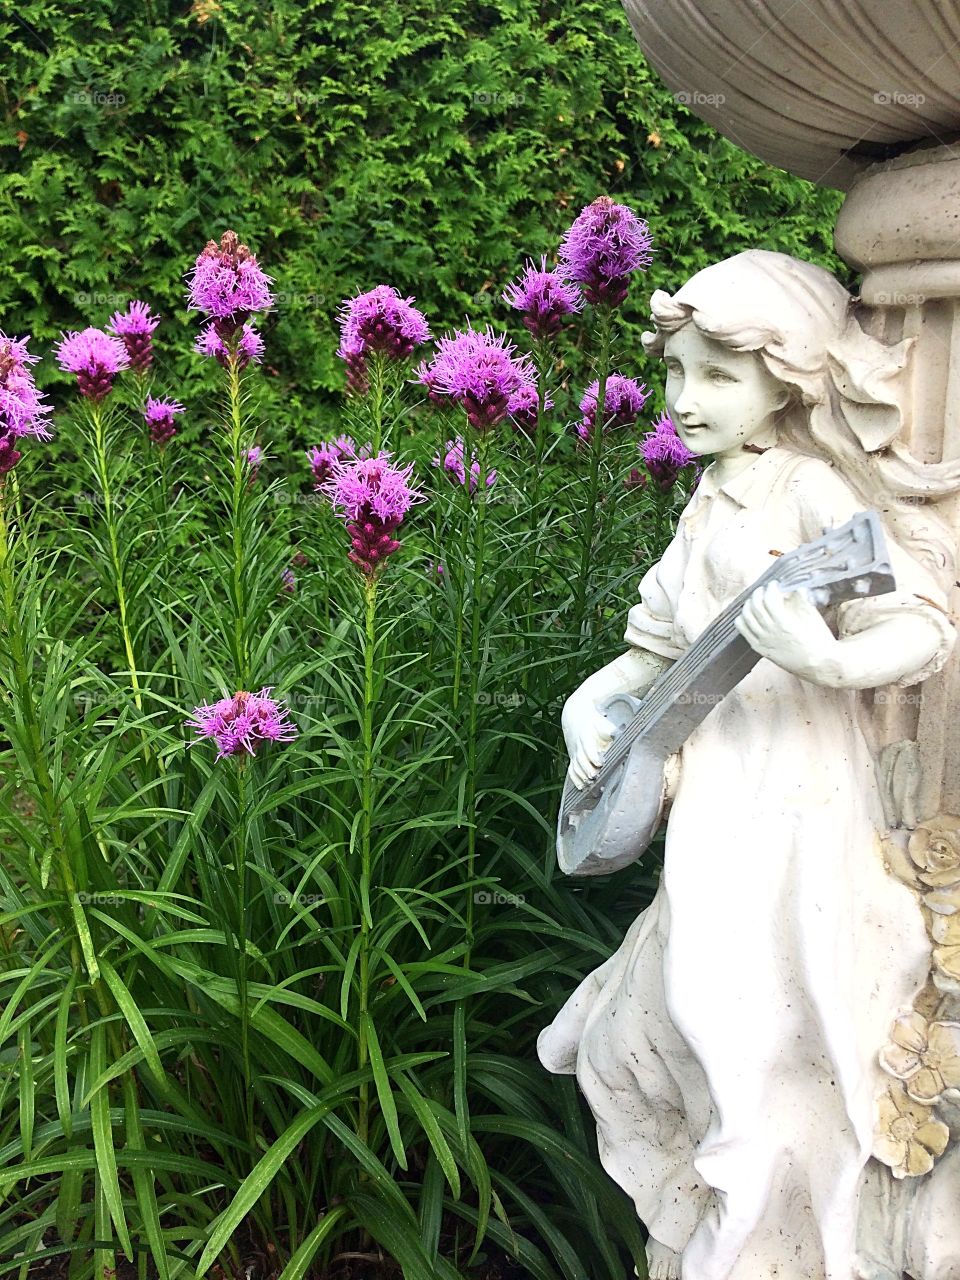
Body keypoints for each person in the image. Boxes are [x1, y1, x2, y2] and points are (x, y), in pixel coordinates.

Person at [537, 250, 960, 1280]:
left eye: (718, 375)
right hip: (715, 798)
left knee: (779, 1007)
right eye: (676, 372)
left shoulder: (812, 490)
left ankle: (793, 1237)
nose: (684, 399)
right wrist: (582, 712)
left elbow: (920, 622)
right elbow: (643, 657)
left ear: (789, 378)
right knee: (691, 1004)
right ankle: (733, 1226)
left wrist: (827, 657)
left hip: (805, 802)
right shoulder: (708, 504)